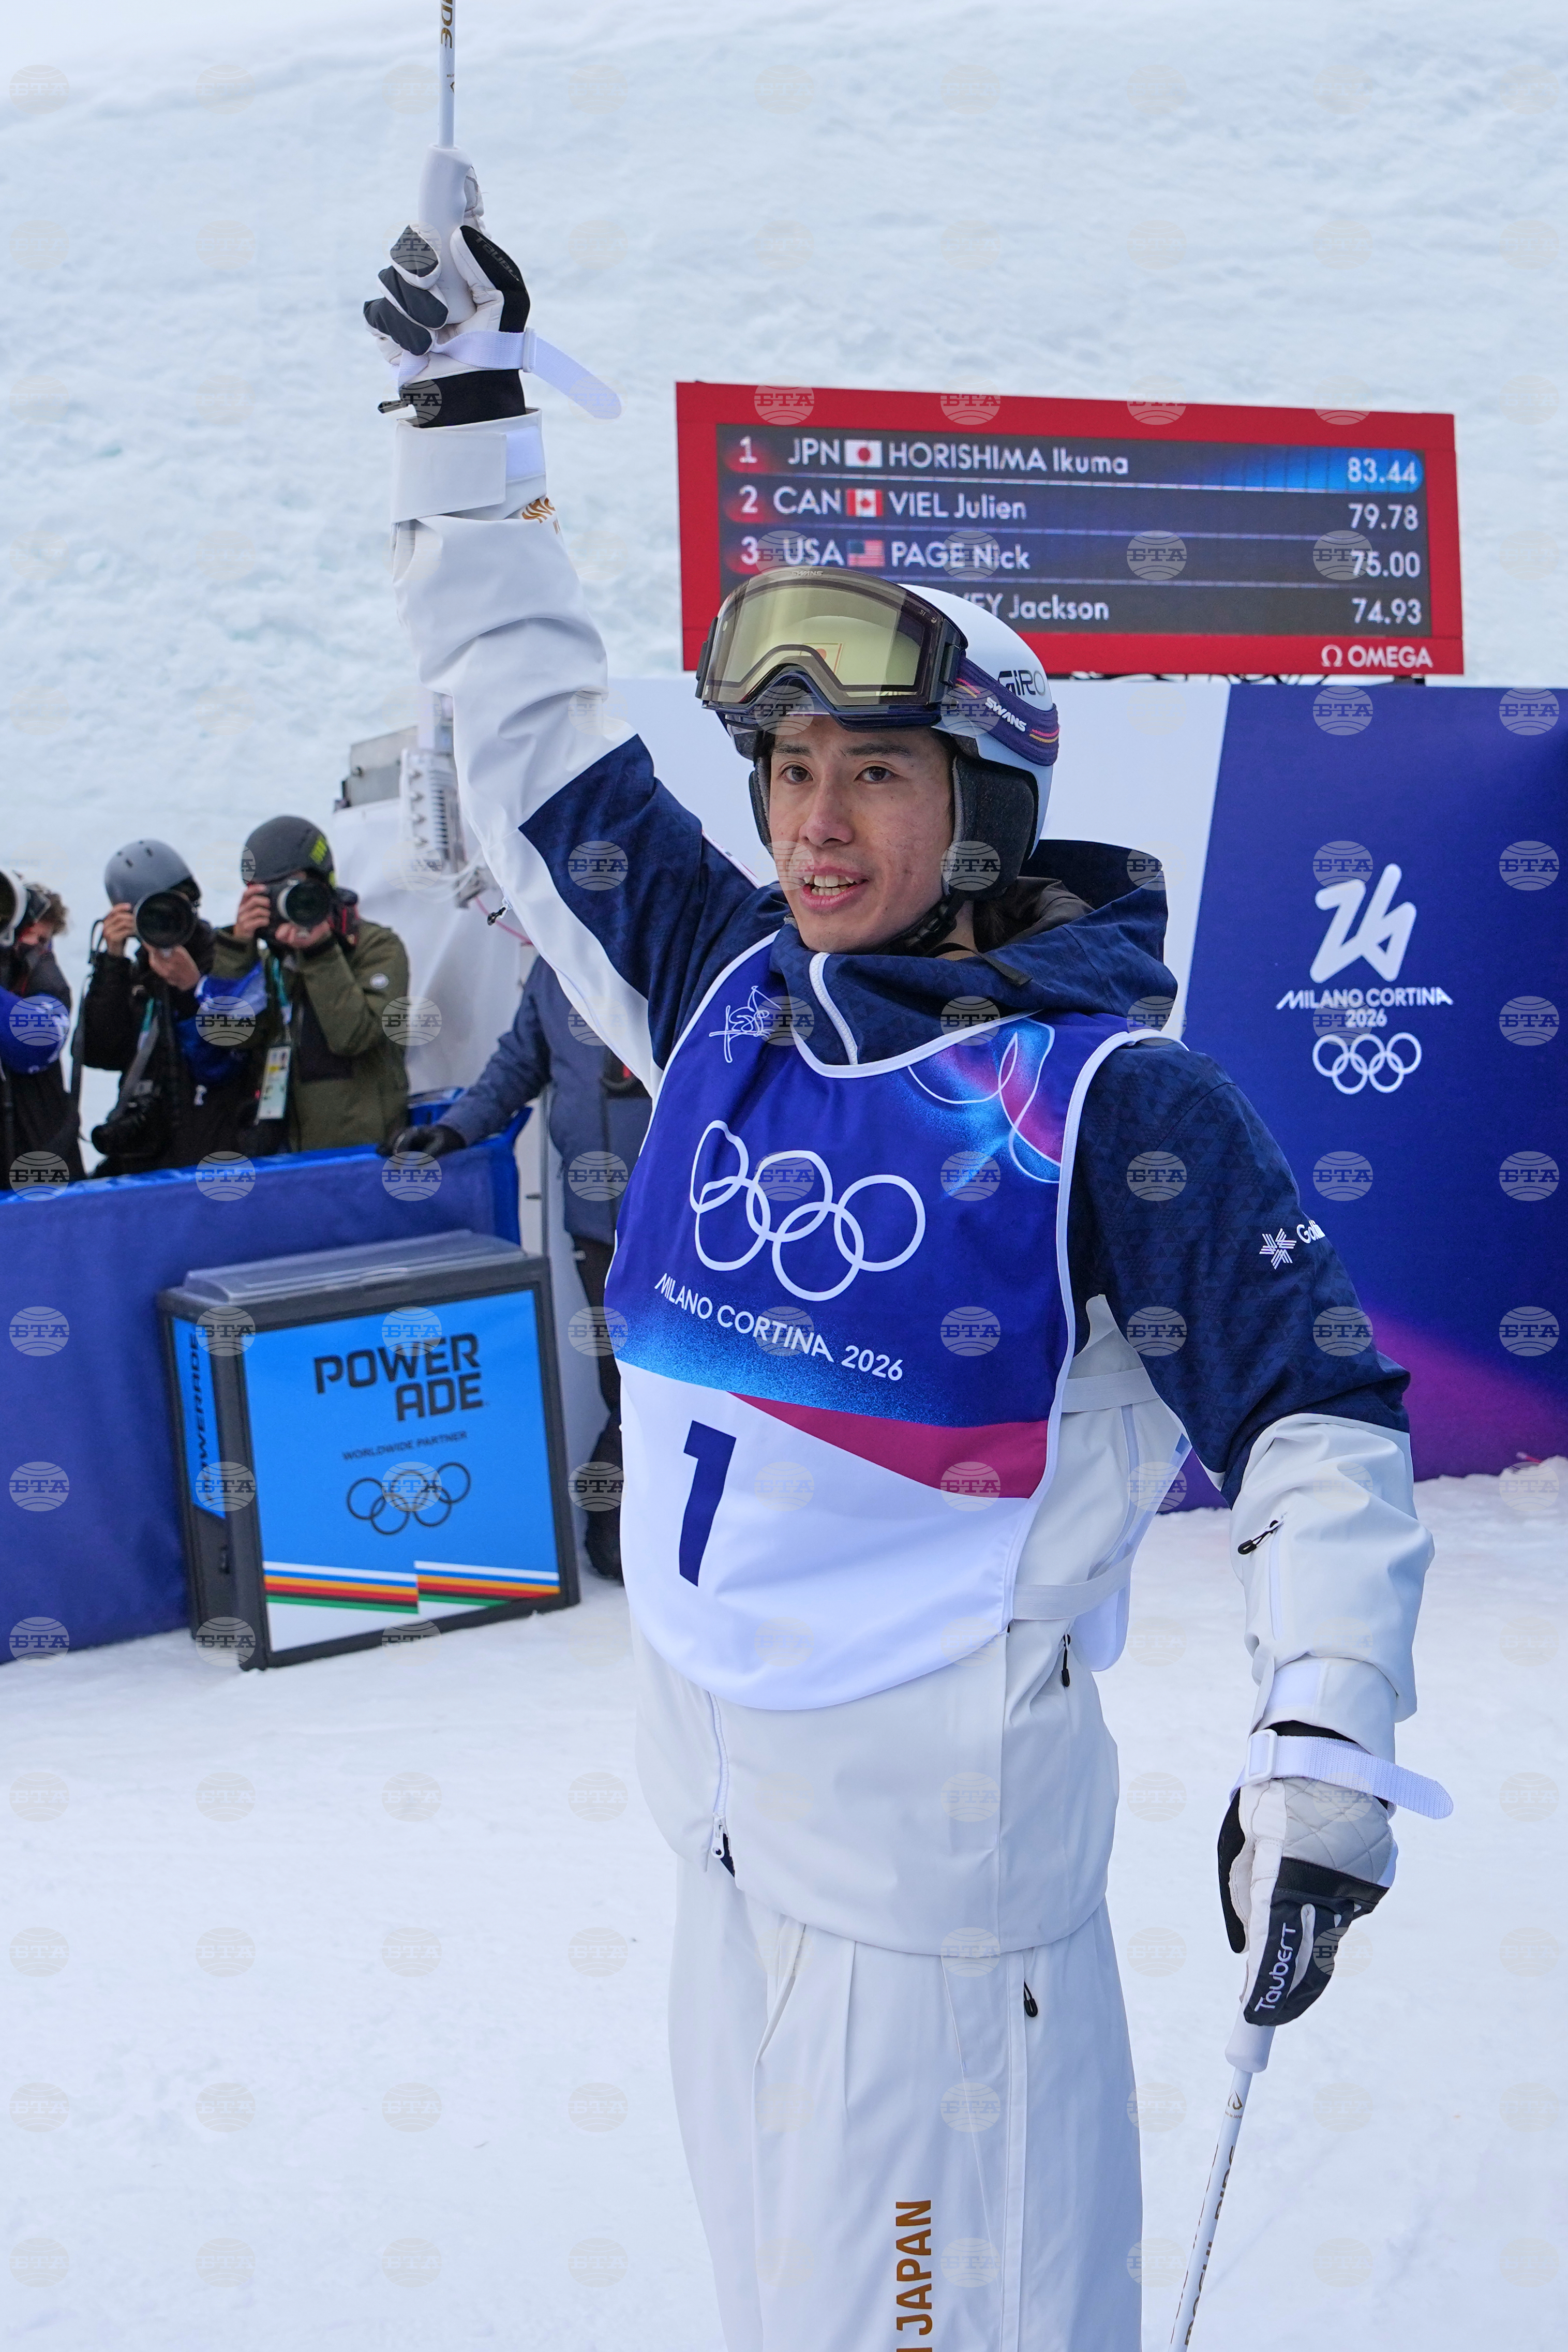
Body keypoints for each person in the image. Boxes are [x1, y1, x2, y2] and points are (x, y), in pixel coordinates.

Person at [365, 191, 1444, 2350]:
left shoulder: (1109, 1103)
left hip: (942, 1936)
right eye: (787, 770)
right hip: (726, 1860)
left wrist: (1321, 1727)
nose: (812, 822)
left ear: (989, 804)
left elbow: (1318, 1422)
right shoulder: (730, 998)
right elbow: (538, 736)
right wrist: (465, 430)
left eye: (873, 771)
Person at [386, 955, 651, 1580]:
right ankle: (616, 1533)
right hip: (599, 1224)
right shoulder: (554, 962)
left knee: (687, 1381)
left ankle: (673, 1532)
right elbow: (517, 1064)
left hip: (689, 1219)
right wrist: (455, 1130)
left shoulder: (677, 946)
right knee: (623, 1381)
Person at [205, 817, 411, 1153]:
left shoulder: (377, 948)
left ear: (323, 883)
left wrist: (319, 952)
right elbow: (227, 1038)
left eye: (293, 889)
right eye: (270, 894)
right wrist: (237, 949)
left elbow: (356, 1036)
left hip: (363, 1155)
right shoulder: (270, 963)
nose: (287, 904)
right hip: (286, 1159)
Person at [81, 839, 252, 1174]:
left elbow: (226, 1060)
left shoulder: (227, 960)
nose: (168, 920)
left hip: (215, 1149)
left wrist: (191, 990)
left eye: (176, 905)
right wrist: (112, 961)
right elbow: (101, 1052)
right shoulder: (137, 976)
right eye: (153, 913)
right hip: (146, 1156)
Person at [1, 871, 81, 1190]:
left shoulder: (48, 984)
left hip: (38, 1173)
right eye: (28, 937)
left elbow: (32, 1042)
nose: (35, 948)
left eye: (44, 941)